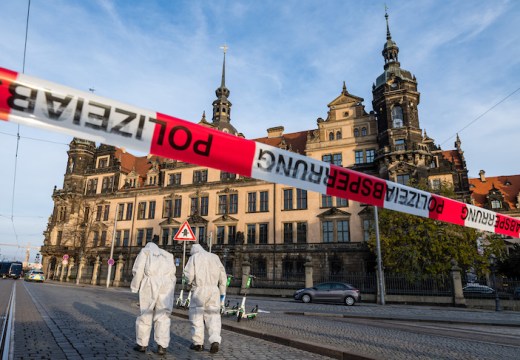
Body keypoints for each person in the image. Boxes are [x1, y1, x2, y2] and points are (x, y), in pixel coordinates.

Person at [130, 235, 176, 355]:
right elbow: (173, 275)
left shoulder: (145, 251)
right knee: (163, 315)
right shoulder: (168, 255)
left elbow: (138, 270)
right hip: (166, 284)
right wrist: (170, 289)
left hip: (150, 283)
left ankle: (142, 344)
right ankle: (162, 346)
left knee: (146, 312)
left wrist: (135, 287)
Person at [184, 243, 227, 354]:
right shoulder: (215, 257)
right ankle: (215, 340)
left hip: (199, 290)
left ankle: (198, 344)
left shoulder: (193, 258)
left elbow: (188, 275)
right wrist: (222, 292)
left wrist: (189, 284)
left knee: (196, 316)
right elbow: (223, 276)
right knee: (213, 317)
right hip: (214, 290)